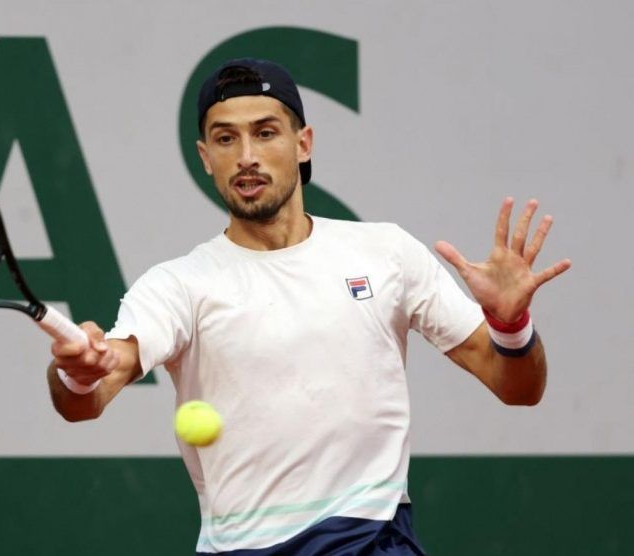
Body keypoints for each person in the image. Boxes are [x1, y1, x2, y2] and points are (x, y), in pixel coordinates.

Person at [46, 58, 571, 555]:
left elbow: (517, 387)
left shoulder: (386, 253)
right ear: (206, 157)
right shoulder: (179, 285)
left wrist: (510, 324)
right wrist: (79, 371)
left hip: (373, 540)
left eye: (265, 132)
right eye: (226, 138)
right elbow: (88, 397)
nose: (246, 155)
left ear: (303, 143)